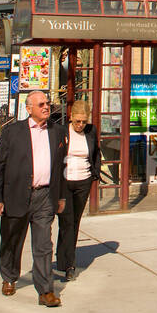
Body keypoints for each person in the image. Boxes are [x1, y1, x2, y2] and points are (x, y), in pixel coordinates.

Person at [0, 90, 67, 307]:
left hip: (45, 196)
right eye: (41, 104)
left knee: (43, 245)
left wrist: (60, 196)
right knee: (12, 241)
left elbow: (60, 166)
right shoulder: (12, 132)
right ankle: (9, 276)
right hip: (16, 195)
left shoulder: (57, 131)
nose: (46, 107)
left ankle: (45, 291)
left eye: (48, 103)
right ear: (29, 108)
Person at [54, 99, 100, 282]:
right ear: (71, 117)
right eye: (77, 121)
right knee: (66, 222)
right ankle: (67, 262)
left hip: (83, 181)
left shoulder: (91, 132)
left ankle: (66, 261)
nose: (80, 125)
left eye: (84, 121)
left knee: (75, 221)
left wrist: (94, 174)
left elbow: (95, 153)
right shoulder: (62, 132)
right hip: (66, 181)